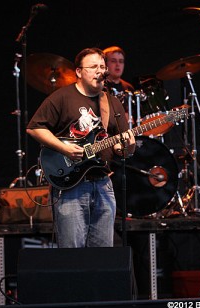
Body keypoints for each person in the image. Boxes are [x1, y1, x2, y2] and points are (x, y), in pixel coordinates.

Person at [27, 47, 136, 248]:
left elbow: (123, 149)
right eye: (93, 66)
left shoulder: (111, 102)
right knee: (72, 255)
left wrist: (128, 147)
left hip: (104, 184)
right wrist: (63, 148)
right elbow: (34, 128)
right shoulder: (62, 97)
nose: (99, 71)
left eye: (102, 66)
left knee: (102, 256)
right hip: (71, 186)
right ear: (78, 71)